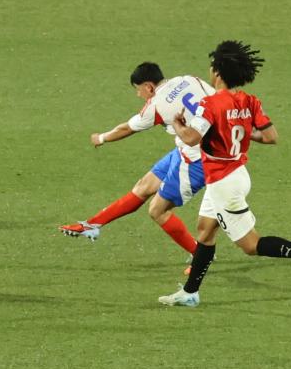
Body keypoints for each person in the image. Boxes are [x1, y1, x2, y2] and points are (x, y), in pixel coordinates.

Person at [158, 40, 291, 307]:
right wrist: (235, 128)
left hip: (222, 182)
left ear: (217, 71)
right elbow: (271, 136)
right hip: (236, 172)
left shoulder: (210, 104)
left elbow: (191, 139)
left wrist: (179, 125)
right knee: (205, 231)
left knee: (251, 245)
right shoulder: (249, 101)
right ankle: (191, 293)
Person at [59, 62, 215, 273]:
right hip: (190, 149)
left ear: (149, 86)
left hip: (199, 160)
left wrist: (101, 138)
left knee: (157, 210)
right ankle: (92, 225)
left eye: (138, 89)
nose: (138, 95)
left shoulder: (157, 105)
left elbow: (127, 128)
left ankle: (200, 257)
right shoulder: (188, 79)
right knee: (144, 186)